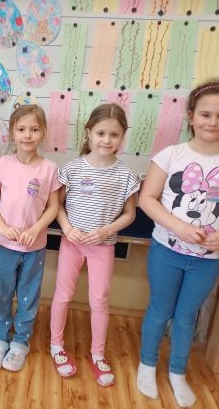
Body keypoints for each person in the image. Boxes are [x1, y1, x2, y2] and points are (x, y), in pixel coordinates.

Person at [137, 79, 219, 407]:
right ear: (191, 115)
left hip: (208, 259)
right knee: (159, 310)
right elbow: (147, 198)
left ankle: (177, 371)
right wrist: (178, 226)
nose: (213, 122)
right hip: (166, 251)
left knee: (187, 316)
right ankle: (147, 365)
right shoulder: (171, 155)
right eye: (205, 114)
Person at [49, 104, 140, 385]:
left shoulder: (127, 175)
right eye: (101, 133)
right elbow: (57, 206)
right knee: (63, 295)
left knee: (100, 299)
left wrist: (106, 231)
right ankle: (56, 346)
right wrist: (67, 228)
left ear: (122, 136)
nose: (107, 140)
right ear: (89, 133)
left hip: (103, 245)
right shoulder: (72, 169)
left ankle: (98, 354)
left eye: (114, 134)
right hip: (72, 244)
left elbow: (130, 214)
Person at [0, 104, 60, 372]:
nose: (28, 135)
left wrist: (36, 229)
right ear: (11, 133)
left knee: (28, 296)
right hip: (5, 246)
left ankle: (20, 342)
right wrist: (3, 227)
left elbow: (53, 207)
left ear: (43, 133)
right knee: (2, 294)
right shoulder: (2, 165)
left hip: (34, 248)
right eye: (21, 129)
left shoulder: (50, 168)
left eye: (34, 129)